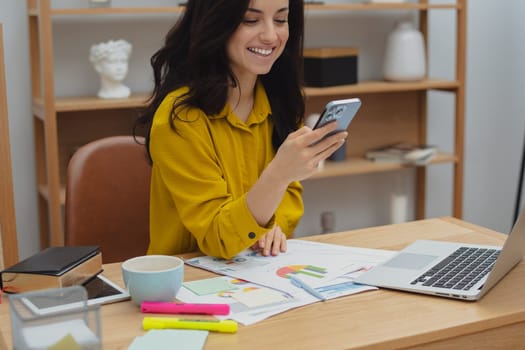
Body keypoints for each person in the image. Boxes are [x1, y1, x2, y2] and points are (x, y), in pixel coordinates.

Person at [136, 0, 347, 259]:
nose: (271, 35)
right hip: (188, 280)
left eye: (281, 20)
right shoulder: (180, 119)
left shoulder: (278, 101)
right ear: (215, 23)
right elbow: (218, 237)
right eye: (250, 20)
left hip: (257, 273)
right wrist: (279, 174)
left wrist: (273, 224)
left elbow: (290, 194)